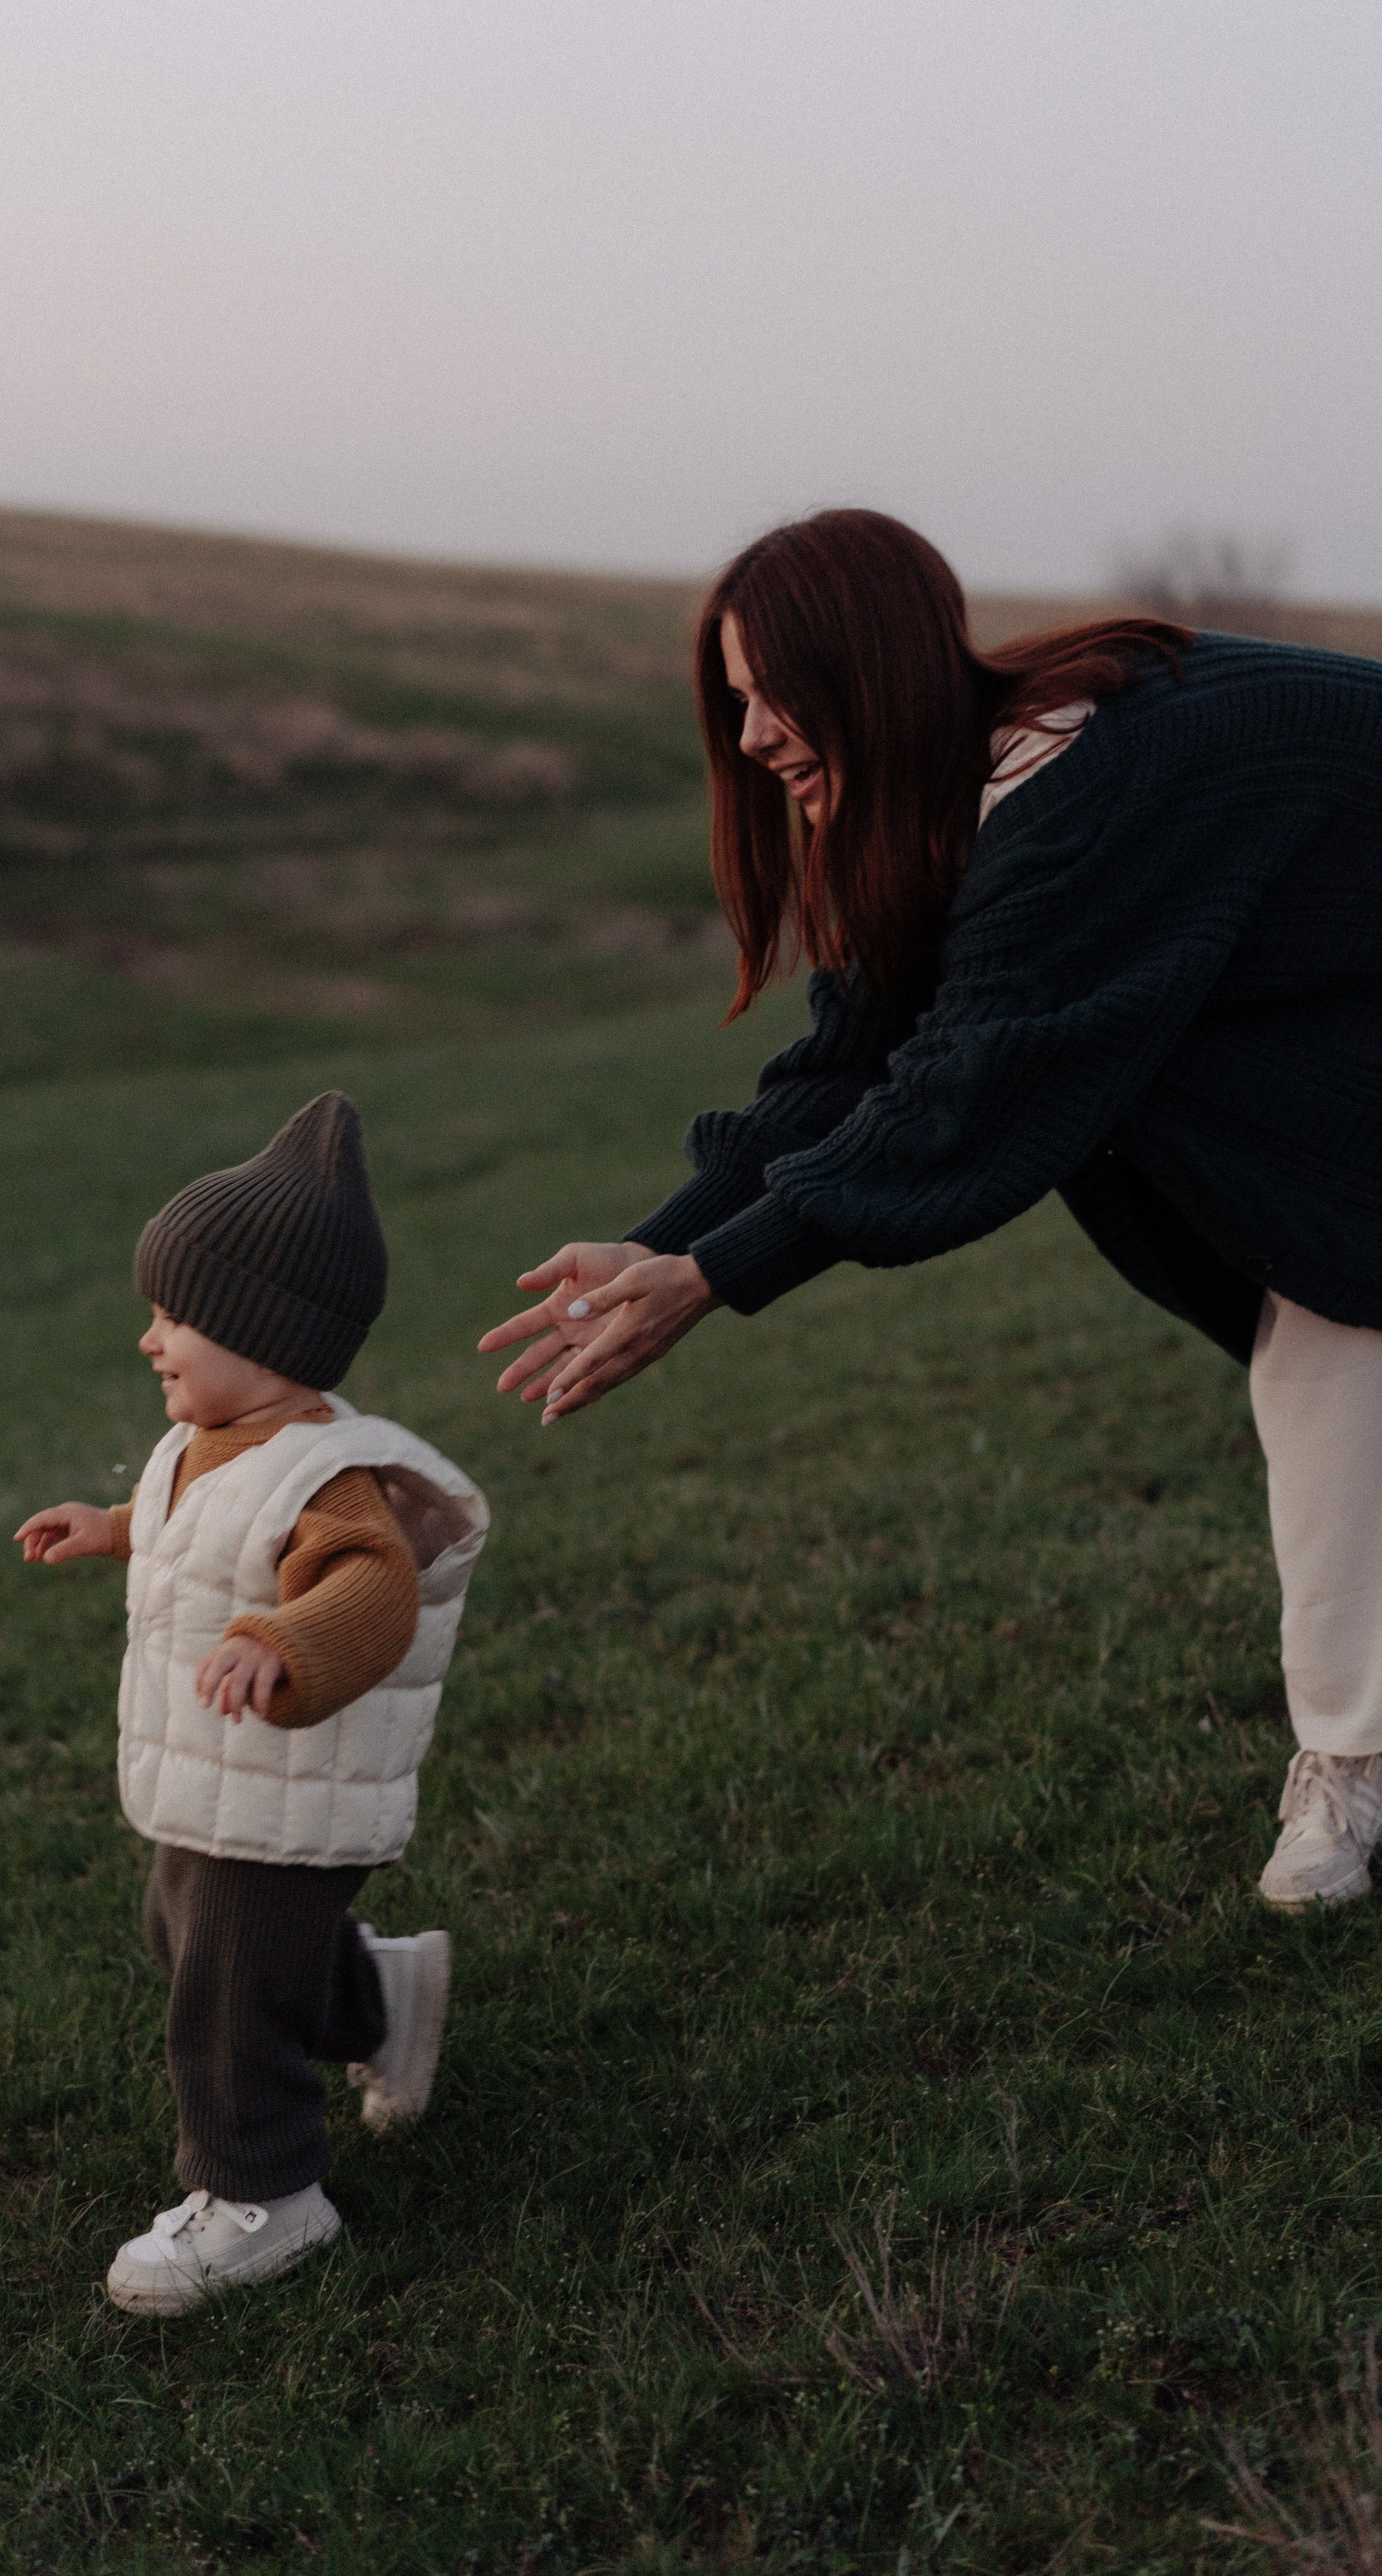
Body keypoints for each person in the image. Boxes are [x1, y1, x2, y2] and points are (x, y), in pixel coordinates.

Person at [479, 508, 1382, 1915]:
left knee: (1328, 1344)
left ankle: (1349, 1757)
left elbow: (963, 1095)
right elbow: (848, 1067)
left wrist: (718, 1275)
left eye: (779, 694)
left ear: (873, 672)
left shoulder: (1074, 796)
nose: (759, 733)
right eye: (737, 700)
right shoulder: (951, 811)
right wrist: (661, 1242)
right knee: (1331, 1328)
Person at [19, 1093, 488, 2312]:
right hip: (222, 1779)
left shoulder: (331, 1473)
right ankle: (383, 2000)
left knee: (225, 1980)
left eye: (174, 1315)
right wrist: (114, 1526)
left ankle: (267, 2194)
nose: (150, 1339)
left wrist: (287, 1640)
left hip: (291, 1782)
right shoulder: (207, 1443)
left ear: (262, 1329)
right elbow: (203, 1528)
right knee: (189, 1939)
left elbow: (369, 1589)